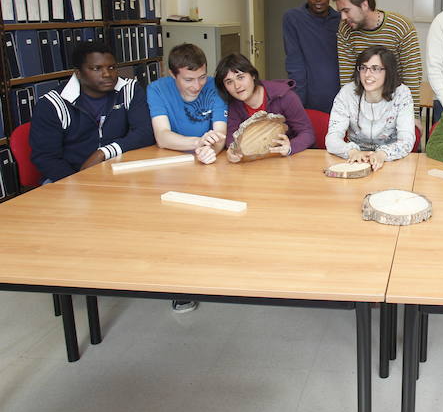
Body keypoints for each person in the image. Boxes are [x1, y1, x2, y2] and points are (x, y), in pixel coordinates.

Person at [147, 43, 227, 312]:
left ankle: (212, 273)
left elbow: (220, 133)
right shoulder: (157, 89)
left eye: (202, 77)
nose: (197, 85)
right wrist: (197, 143)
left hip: (210, 162)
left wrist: (209, 149)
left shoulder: (215, 86)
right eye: (189, 79)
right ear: (173, 75)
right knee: (174, 225)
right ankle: (178, 284)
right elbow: (162, 136)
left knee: (214, 221)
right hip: (172, 165)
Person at [29, 41, 154, 182]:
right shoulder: (52, 104)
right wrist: (80, 182)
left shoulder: (129, 89)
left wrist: (103, 153)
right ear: (78, 73)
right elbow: (46, 158)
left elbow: (145, 132)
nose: (107, 74)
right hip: (68, 177)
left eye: (112, 67)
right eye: (96, 68)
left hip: (118, 171)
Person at [333, 0, 422, 116]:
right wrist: (349, 113)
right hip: (362, 107)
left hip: (396, 104)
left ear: (364, 5)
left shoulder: (401, 27)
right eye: (340, 12)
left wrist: (413, 115)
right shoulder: (345, 29)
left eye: (346, 10)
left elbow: (412, 75)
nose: (343, 17)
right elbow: (348, 78)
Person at [326, 46, 415, 170]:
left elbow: (406, 140)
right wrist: (352, 152)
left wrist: (382, 154)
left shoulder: (402, 94)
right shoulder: (347, 93)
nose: (367, 74)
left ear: (388, 71)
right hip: (356, 160)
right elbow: (332, 138)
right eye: (363, 68)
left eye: (375, 69)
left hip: (391, 161)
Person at [214, 53, 315, 162]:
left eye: (241, 77)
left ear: (253, 75)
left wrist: (290, 147)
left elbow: (308, 133)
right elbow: (231, 136)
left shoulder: (285, 96)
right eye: (229, 82)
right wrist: (232, 149)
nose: (237, 86)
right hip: (259, 161)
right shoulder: (233, 104)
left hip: (292, 159)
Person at [282, 0, 341, 113]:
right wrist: (297, 103)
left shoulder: (342, 20)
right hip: (308, 95)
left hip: (340, 95)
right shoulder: (293, 18)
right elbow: (294, 62)